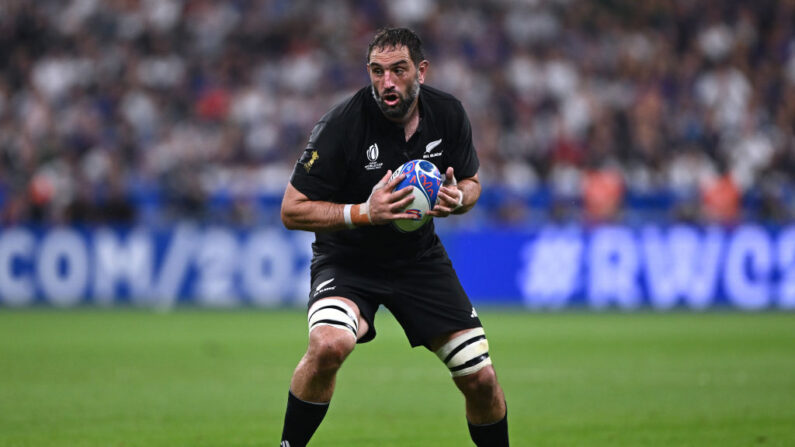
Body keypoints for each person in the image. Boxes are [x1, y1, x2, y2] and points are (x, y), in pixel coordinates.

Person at [279, 27, 509, 446]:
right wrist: (365, 212)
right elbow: (291, 210)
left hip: (418, 261)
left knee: (482, 379)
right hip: (348, 260)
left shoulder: (449, 113)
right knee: (328, 346)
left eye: (398, 70)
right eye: (377, 71)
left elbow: (473, 182)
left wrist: (459, 198)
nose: (387, 82)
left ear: (420, 71)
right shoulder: (341, 125)